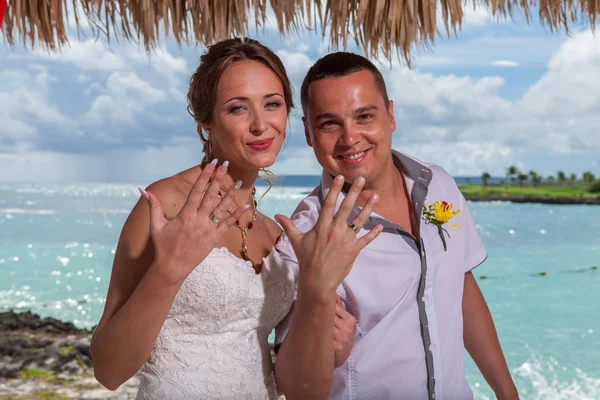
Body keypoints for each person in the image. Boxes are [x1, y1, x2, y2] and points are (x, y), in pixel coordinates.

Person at [89, 38, 358, 399]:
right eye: (237, 109)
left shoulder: (273, 233)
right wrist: (169, 271)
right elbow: (108, 370)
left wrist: (332, 340)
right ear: (207, 121)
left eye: (272, 104)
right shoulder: (165, 205)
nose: (261, 125)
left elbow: (272, 368)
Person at [273, 52, 519, 400]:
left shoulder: (438, 185)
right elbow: (297, 385)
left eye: (364, 116)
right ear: (309, 133)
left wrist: (507, 393)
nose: (350, 137)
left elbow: (458, 285)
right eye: (330, 123)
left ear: (390, 115)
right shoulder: (306, 236)